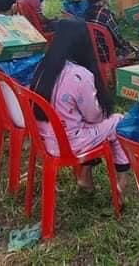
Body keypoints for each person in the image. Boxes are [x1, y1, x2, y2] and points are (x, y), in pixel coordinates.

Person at [31, 20, 129, 192]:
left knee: (85, 124)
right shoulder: (79, 75)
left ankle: (86, 177)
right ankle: (122, 182)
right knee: (118, 121)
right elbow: (94, 116)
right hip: (69, 144)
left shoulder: (43, 66)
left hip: (43, 139)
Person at [84, 0, 139, 64]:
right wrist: (131, 48)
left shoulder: (86, 13)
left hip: (91, 57)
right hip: (107, 58)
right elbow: (119, 40)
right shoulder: (106, 15)